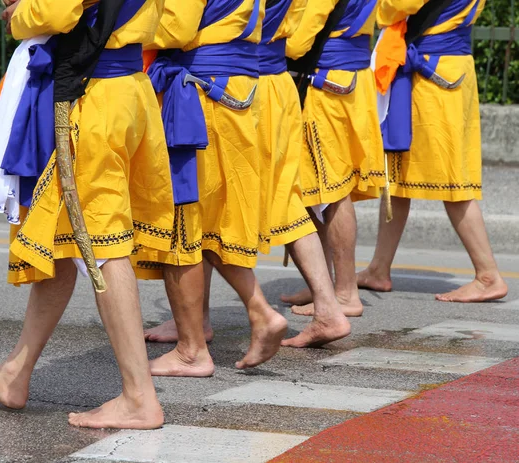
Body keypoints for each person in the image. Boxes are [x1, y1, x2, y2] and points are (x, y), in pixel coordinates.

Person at [0, 0, 175, 430]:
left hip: (93, 95)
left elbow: (55, 12)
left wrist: (21, 14)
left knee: (100, 245)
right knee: (66, 236)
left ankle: (139, 398)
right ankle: (15, 372)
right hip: (125, 88)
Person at [140, 0, 352, 349]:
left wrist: (124, 31)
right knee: (278, 201)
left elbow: (181, 27)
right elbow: (297, 41)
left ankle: (217, 321)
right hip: (268, 81)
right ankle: (326, 306)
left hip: (225, 81)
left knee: (205, 206)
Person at [131, 0, 294, 376]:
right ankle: (247, 316)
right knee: (204, 224)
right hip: (230, 85)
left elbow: (176, 27)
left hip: (201, 90)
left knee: (183, 223)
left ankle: (192, 350)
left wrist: (111, 31)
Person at [357, 0, 508, 303]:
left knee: (453, 181)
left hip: (431, 70)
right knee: (398, 173)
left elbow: (396, 6)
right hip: (446, 66)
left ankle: (488, 275)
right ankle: (378, 268)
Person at [281, 0, 386, 316]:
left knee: (333, 191)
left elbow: (298, 42)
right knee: (320, 188)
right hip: (347, 78)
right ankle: (325, 285)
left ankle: (344, 292)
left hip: (325, 83)